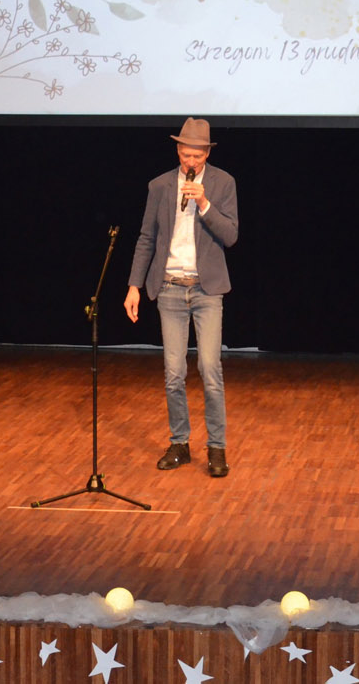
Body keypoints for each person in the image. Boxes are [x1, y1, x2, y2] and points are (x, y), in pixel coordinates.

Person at [124, 118, 239, 478]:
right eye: (186, 155)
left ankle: (216, 448)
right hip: (170, 288)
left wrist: (204, 203)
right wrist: (134, 285)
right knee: (174, 372)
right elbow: (146, 237)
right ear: (178, 151)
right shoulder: (159, 186)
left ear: (207, 154)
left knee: (209, 368)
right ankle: (179, 443)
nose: (191, 162)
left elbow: (231, 235)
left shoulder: (223, 183)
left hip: (207, 290)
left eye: (197, 156)